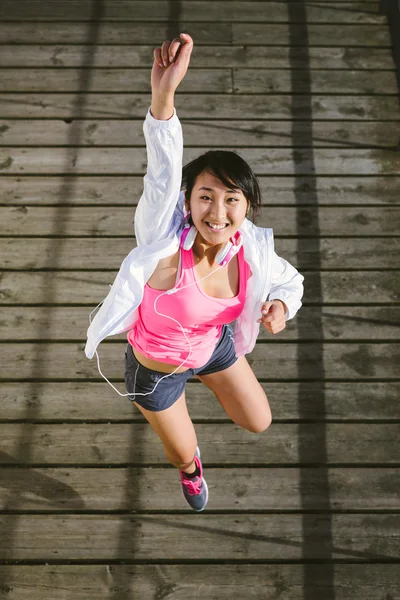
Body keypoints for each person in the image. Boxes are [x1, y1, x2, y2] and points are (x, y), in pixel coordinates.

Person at [85, 33, 304, 512]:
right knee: (181, 453)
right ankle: (191, 466)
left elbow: (291, 280)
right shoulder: (162, 244)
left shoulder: (252, 251)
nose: (218, 211)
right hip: (156, 370)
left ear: (247, 208)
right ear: (187, 203)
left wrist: (282, 305)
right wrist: (163, 99)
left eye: (232, 200)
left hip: (214, 347)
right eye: (206, 196)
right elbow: (161, 172)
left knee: (259, 421)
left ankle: (206, 388)